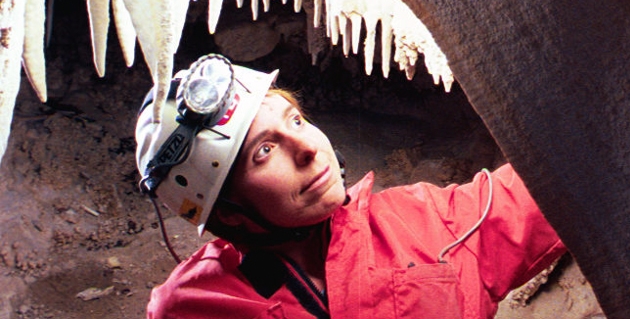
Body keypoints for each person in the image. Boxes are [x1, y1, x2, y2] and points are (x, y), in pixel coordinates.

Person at [135, 54, 566, 319]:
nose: (308, 147)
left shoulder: (429, 222)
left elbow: (557, 183)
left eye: (296, 120)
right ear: (228, 211)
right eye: (264, 151)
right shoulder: (193, 308)